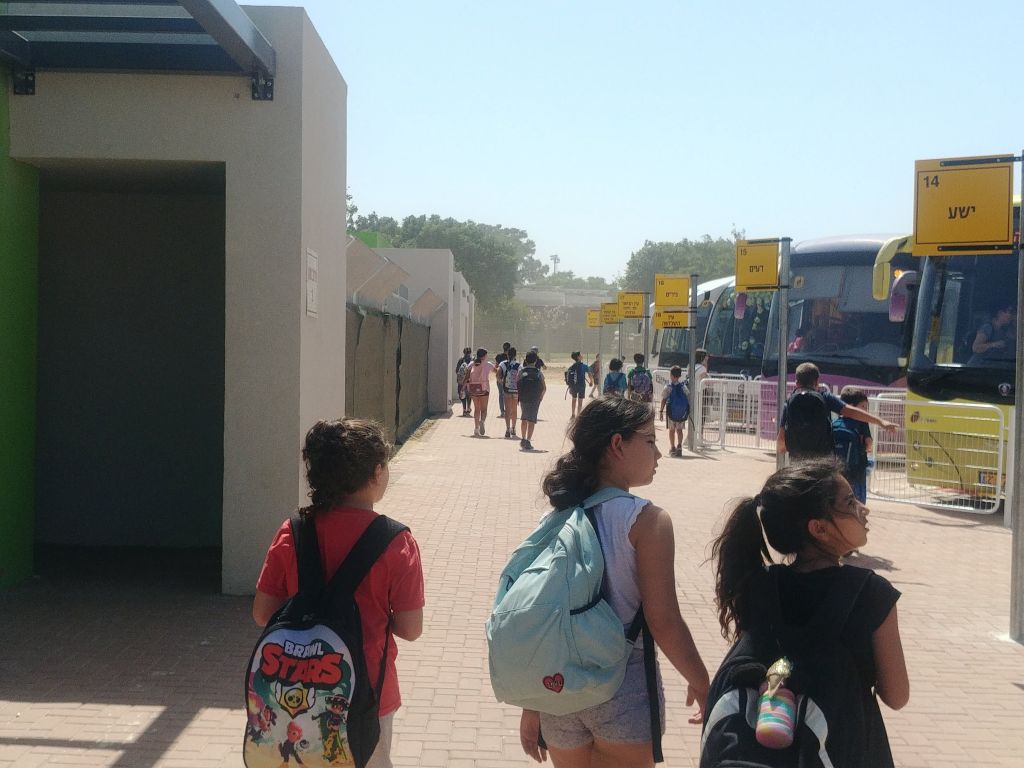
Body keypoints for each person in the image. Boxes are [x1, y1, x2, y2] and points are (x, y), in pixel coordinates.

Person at [519, 397, 710, 767]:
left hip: (559, 687)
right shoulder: (646, 521)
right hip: (623, 683)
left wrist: (533, 701)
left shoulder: (556, 517)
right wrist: (702, 681)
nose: (658, 454)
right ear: (617, 445)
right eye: (650, 441)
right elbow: (663, 619)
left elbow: (542, 615)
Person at [709, 459, 909, 766]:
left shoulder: (760, 584)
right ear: (819, 528)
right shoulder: (870, 593)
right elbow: (897, 695)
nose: (863, 510)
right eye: (850, 502)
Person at [252, 418, 426, 768]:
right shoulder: (396, 541)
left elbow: (262, 613)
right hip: (367, 693)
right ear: (376, 473)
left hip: (293, 692)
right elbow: (410, 628)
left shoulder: (294, 531)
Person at [777, 362, 895, 460]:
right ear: (817, 381)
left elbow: (781, 443)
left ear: (797, 382)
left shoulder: (790, 402)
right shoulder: (825, 397)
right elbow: (852, 412)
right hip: (823, 459)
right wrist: (880, 421)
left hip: (798, 460)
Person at [832, 387, 874, 504]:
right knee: (858, 499)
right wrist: (867, 449)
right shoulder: (862, 423)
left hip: (837, 468)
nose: (865, 411)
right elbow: (869, 443)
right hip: (858, 468)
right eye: (863, 407)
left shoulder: (835, 423)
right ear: (850, 406)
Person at [517, 351, 546, 450]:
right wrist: (540, 398)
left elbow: (518, 384)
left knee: (524, 417)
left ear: (525, 360)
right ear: (536, 361)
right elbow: (544, 387)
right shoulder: (539, 372)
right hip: (535, 399)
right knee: (532, 419)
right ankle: (528, 440)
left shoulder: (521, 371)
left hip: (523, 398)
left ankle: (523, 438)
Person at [659, 366, 688, 458]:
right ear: (679, 376)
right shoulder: (683, 386)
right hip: (681, 414)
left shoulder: (668, 387)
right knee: (679, 430)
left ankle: (672, 447)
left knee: (671, 431)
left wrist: (661, 411)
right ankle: (679, 446)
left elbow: (663, 399)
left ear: (671, 375)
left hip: (671, 413)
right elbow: (687, 396)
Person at [466, 348, 496, 437]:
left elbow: (467, 376)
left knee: (476, 409)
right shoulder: (488, 364)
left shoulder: (471, 364)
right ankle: (482, 421)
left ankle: (476, 429)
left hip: (474, 389)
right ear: (484, 356)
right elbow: (496, 371)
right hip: (484, 389)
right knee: (484, 409)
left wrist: (463, 386)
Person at [499, 346, 521, 439]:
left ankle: (507, 429)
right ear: (515, 354)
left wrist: (502, 382)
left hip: (507, 390)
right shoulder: (519, 365)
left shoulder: (503, 364)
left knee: (507, 410)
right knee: (514, 410)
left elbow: (497, 375)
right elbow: (520, 377)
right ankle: (513, 428)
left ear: (507, 354)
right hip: (515, 391)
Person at [567, 351, 590, 419]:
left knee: (574, 399)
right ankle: (578, 415)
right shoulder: (584, 366)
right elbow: (589, 374)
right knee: (580, 401)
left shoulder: (572, 367)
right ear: (578, 357)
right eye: (580, 355)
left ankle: (573, 414)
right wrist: (591, 381)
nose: (582, 356)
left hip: (573, 385)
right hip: (581, 386)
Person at [495, 342, 512, 419]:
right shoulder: (511, 357)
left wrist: (498, 375)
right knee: (509, 395)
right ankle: (509, 411)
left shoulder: (499, 356)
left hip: (500, 378)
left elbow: (496, 367)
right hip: (509, 379)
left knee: (501, 395)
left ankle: (502, 412)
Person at [455, 347, 473, 417]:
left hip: (461, 381)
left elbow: (457, 370)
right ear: (470, 352)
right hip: (470, 381)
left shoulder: (461, 360)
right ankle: (468, 408)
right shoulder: (472, 360)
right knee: (469, 395)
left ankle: (464, 409)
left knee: (462, 395)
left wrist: (461, 377)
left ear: (463, 352)